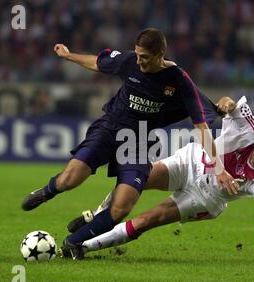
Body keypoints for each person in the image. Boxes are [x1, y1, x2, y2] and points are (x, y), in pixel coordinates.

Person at [21, 29, 237, 246]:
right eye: (137, 54)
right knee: (70, 180)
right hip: (110, 127)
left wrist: (219, 168)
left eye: (145, 57)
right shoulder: (129, 61)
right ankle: (48, 191)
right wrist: (68, 56)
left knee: (121, 207)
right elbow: (98, 63)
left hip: (139, 141)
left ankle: (73, 244)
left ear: (161, 54)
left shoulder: (178, 79)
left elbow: (202, 125)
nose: (139, 61)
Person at [60, 96, 254, 265]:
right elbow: (230, 104)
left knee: (145, 221)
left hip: (204, 199)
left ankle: (83, 247)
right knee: (135, 179)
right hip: (190, 162)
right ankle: (95, 217)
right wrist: (227, 103)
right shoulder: (253, 130)